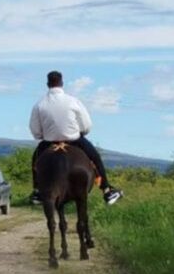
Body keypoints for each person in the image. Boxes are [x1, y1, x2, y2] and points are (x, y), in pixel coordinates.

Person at [27, 71, 122, 205]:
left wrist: (45, 135)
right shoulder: (73, 101)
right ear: (62, 83)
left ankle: (37, 191)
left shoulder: (39, 105)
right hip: (74, 140)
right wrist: (81, 132)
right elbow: (86, 125)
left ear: (48, 84)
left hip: (49, 142)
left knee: (36, 159)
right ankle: (106, 190)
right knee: (95, 157)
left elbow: (35, 130)